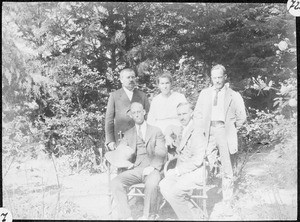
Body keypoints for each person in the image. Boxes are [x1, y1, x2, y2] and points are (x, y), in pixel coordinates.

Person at [193, 64, 247, 213]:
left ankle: (227, 201)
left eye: (219, 77)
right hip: (208, 132)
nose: (217, 81)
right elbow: (197, 114)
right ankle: (199, 199)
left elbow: (242, 117)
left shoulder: (233, 95)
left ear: (225, 77)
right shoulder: (205, 93)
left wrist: (231, 129)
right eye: (214, 78)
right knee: (203, 163)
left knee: (227, 167)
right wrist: (200, 130)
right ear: (211, 78)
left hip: (224, 131)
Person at [109, 102, 167, 220]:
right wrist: (119, 159)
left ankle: (148, 216)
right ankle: (126, 217)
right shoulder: (128, 134)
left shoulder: (156, 131)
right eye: (134, 113)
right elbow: (121, 151)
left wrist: (153, 167)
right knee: (115, 182)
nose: (137, 115)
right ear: (131, 115)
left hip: (153, 169)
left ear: (144, 112)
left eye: (139, 112)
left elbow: (161, 152)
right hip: (136, 169)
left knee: (151, 184)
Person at [159, 102, 207, 220]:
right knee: (163, 184)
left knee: (175, 191)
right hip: (184, 172)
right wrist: (168, 136)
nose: (181, 117)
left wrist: (177, 171)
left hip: (197, 171)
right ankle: (194, 214)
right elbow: (169, 127)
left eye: (184, 113)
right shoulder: (183, 129)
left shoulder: (197, 130)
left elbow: (197, 160)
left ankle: (190, 217)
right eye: (179, 114)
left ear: (191, 113)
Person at [105, 68, 150, 151]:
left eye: (133, 77)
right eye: (128, 77)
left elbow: (148, 118)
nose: (131, 80)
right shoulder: (114, 96)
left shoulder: (142, 96)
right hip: (121, 138)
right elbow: (109, 120)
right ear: (121, 80)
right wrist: (110, 140)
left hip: (140, 138)